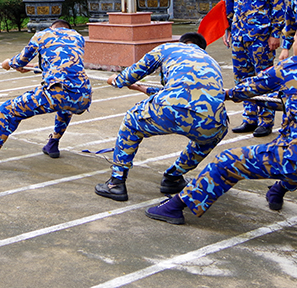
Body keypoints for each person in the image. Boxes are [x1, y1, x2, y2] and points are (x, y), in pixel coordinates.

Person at [145, 18, 297, 225]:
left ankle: (175, 207)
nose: (292, 45)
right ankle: (278, 190)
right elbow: (286, 102)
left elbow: (248, 88)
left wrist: (224, 93)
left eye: (293, 41)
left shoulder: (289, 67)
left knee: (227, 161)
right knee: (295, 152)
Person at [95, 32, 228, 202]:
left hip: (169, 108)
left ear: (183, 42)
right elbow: (183, 92)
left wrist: (117, 81)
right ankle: (173, 178)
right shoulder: (211, 62)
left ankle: (116, 183)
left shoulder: (169, 47)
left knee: (131, 122)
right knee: (209, 138)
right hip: (212, 120)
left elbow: (134, 73)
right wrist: (141, 88)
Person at [0, 19, 92, 168]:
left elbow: (20, 61)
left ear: (51, 27)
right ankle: (53, 143)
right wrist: (32, 67)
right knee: (65, 107)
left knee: (7, 110)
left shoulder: (42, 35)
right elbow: (61, 64)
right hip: (84, 95)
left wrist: (9, 63)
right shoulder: (77, 37)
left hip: (56, 92)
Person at [224, 0, 285, 138]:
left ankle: (266, 121)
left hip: (261, 36)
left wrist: (276, 33)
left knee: (263, 78)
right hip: (239, 34)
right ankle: (249, 118)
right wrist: (227, 28)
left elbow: (278, 5)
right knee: (242, 78)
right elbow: (229, 2)